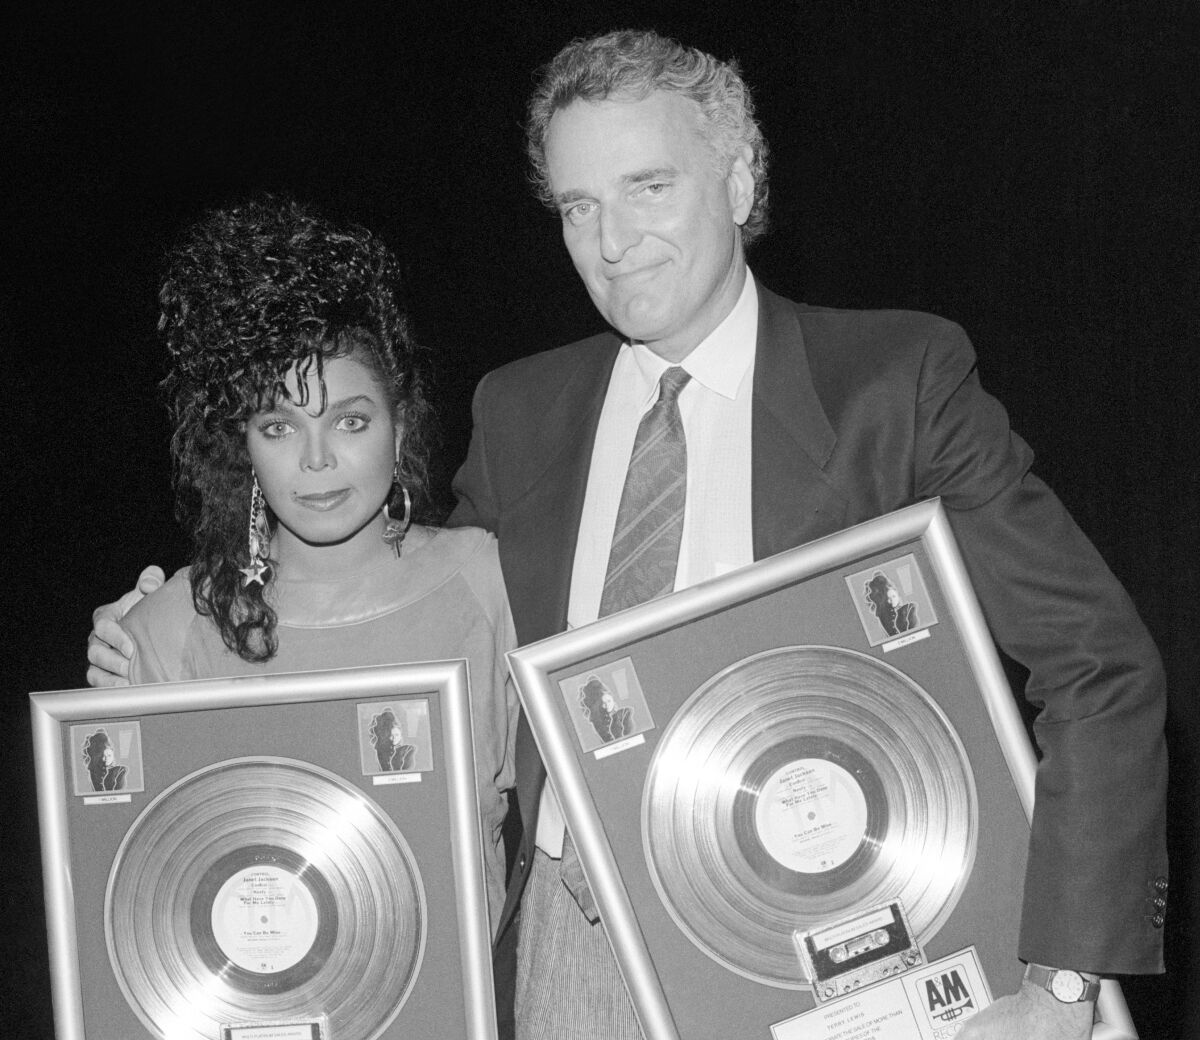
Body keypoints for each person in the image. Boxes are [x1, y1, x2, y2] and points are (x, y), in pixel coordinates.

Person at [89, 31, 1168, 1040]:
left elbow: (1098, 666)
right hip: (574, 950)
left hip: (840, 950)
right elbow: (415, 613)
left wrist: (1065, 978)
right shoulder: (522, 411)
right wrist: (185, 627)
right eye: (575, 205)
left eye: (649, 187)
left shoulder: (895, 381)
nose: (610, 241)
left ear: (740, 181)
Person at [106, 197, 517, 928]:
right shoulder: (173, 626)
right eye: (280, 426)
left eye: (349, 420)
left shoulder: (489, 580)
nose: (318, 458)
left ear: (398, 430)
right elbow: (147, 893)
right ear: (246, 448)